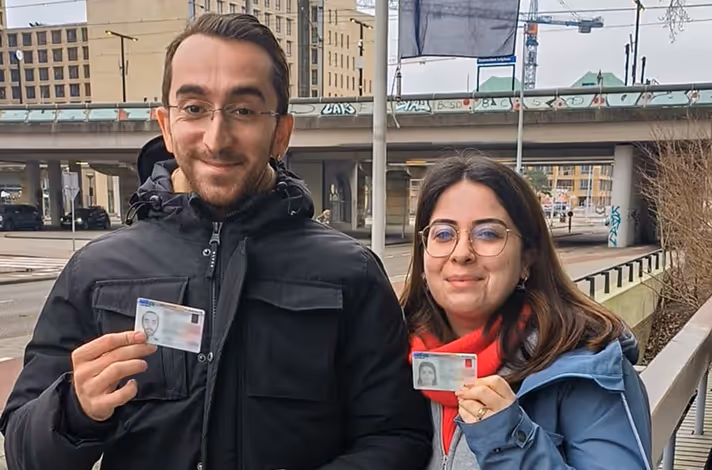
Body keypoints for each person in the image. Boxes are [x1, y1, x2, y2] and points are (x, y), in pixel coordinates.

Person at [0, 13, 432, 470]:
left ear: (281, 133)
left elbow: (397, 436)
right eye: (194, 107)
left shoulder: (352, 273)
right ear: (166, 125)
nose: (216, 137)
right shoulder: (96, 270)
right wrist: (75, 409)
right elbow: (24, 451)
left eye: (244, 110)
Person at [402, 155, 652, 470]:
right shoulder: (385, 354)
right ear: (423, 257)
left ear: (527, 259)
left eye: (488, 234)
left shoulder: (588, 365)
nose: (462, 253)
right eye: (443, 234)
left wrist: (510, 442)